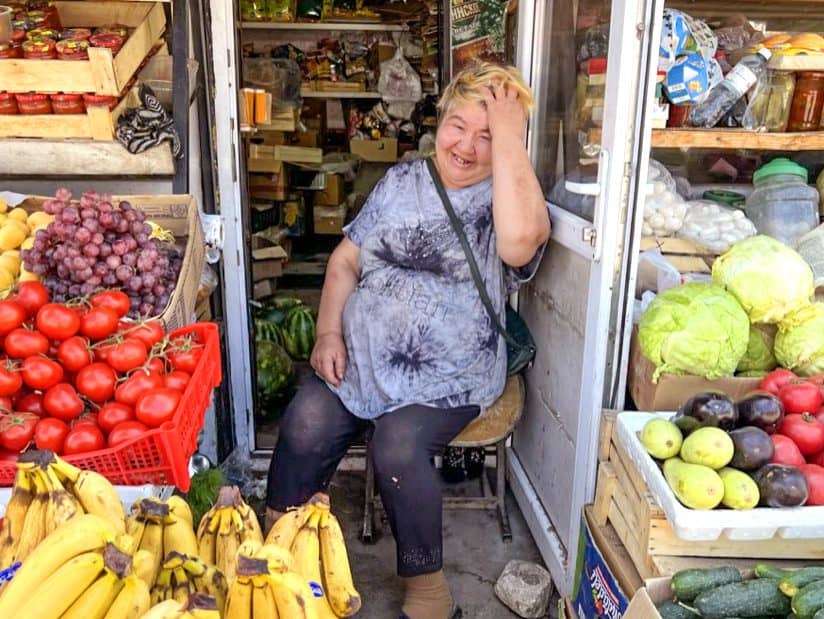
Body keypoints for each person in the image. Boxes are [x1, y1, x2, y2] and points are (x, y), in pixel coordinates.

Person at [265, 61, 551, 619]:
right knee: (304, 420)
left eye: (487, 133)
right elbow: (347, 259)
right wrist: (327, 332)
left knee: (396, 446)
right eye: (458, 126)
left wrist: (511, 138)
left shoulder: (512, 195)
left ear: (511, 138)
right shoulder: (402, 180)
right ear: (439, 121)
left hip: (451, 372)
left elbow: (518, 247)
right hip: (364, 356)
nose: (467, 146)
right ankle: (278, 560)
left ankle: (429, 596)